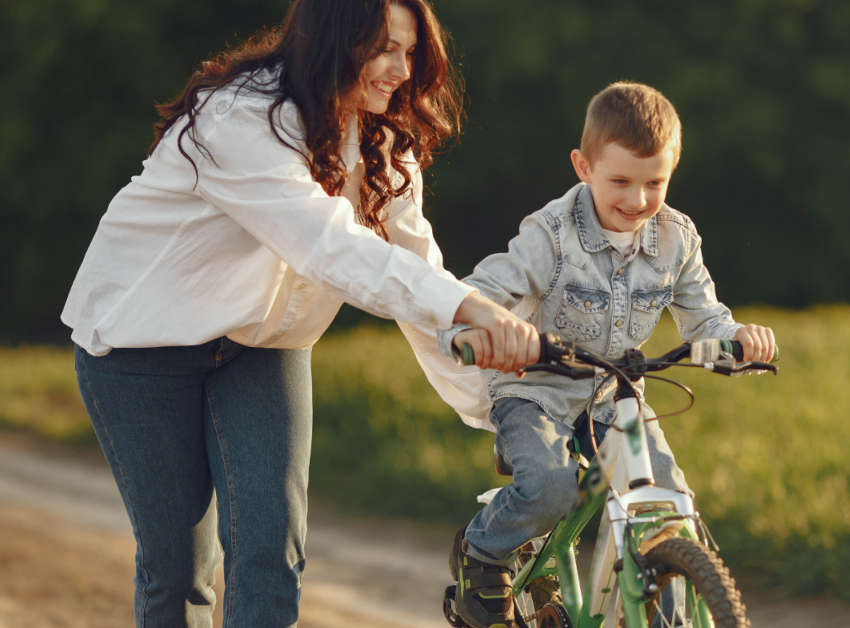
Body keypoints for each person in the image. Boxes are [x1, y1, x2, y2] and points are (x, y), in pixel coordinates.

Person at [61, 1, 539, 626]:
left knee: (271, 551)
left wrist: (496, 401)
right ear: (332, 41)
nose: (400, 68)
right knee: (179, 569)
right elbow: (330, 244)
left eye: (410, 50)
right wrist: (470, 305)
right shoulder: (241, 116)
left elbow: (418, 278)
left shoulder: (381, 142)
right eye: (382, 48)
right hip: (140, 347)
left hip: (263, 347)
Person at [438, 81, 777, 628]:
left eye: (655, 183)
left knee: (668, 505)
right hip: (536, 389)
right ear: (583, 166)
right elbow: (482, 294)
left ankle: (661, 608)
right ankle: (485, 551)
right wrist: (480, 333)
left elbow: (706, 318)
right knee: (551, 488)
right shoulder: (550, 234)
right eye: (620, 180)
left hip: (613, 393)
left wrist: (740, 341)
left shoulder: (676, 239)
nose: (638, 200)